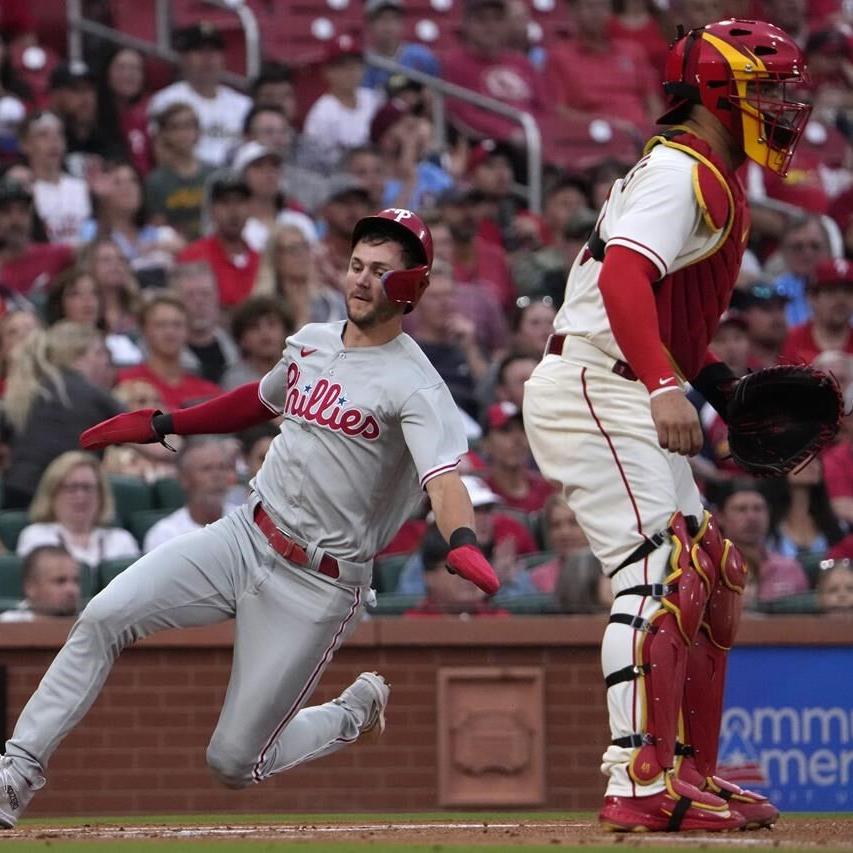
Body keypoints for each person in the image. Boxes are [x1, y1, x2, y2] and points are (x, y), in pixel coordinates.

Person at [0, 207, 500, 827]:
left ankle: (352, 712)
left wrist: (462, 537)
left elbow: (442, 478)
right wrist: (167, 422)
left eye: (380, 271)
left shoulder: (417, 386)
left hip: (319, 582)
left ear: (411, 288)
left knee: (234, 762)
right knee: (103, 615)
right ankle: (15, 774)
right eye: (356, 265)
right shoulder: (313, 342)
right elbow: (258, 400)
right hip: (245, 534)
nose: (361, 280)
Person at [522, 20, 809, 832]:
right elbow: (623, 279)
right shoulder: (682, 170)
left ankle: (690, 772)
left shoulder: (703, 170)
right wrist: (660, 385)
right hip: (597, 379)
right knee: (661, 569)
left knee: (713, 569)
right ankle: (639, 780)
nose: (783, 106)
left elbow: (666, 313)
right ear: (721, 93)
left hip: (617, 376)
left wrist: (714, 386)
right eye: (766, 90)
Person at [1, 321, 121, 509]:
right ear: (77, 358)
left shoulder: (26, 391)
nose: (106, 361)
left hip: (17, 492)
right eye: (99, 353)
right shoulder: (90, 392)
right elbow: (154, 440)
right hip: (69, 498)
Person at [147, 23, 251, 167]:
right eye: (199, 51)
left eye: (214, 51)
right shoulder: (166, 101)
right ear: (183, 58)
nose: (207, 58)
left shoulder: (243, 105)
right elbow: (161, 151)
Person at [17, 451, 139, 567]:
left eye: (87, 488)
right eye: (72, 488)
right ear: (52, 493)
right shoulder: (37, 536)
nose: (81, 496)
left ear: (101, 495)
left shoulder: (121, 540)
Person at [116, 292, 221, 410]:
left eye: (177, 325)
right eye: (160, 325)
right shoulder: (125, 382)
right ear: (144, 330)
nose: (170, 332)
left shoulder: (209, 393)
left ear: (187, 331)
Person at [717, 483, 810, 604]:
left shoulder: (790, 569)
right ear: (721, 517)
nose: (751, 517)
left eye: (758, 508)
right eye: (741, 509)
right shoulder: (711, 569)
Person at [177, 171, 259, 308]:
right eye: (225, 202)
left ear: (250, 207)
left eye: (240, 202)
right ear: (211, 209)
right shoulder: (193, 256)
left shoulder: (261, 259)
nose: (234, 211)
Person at [142, 436, 235, 552]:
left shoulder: (246, 522)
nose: (217, 476)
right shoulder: (165, 536)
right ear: (184, 479)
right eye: (207, 468)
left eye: (222, 467)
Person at [302, 35, 382, 168]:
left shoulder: (374, 100)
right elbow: (316, 163)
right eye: (342, 67)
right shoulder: (321, 114)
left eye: (355, 66)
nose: (350, 72)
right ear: (327, 72)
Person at [144, 102, 216, 241]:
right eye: (175, 128)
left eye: (188, 126)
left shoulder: (214, 174)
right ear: (164, 134)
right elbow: (158, 228)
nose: (183, 133)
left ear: (198, 132)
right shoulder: (156, 181)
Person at [253, 223, 347, 329]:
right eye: (292, 249)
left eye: (304, 247)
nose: (301, 254)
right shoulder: (263, 308)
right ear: (275, 258)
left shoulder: (330, 304)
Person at [403, 524, 509, 617]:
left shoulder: (500, 620)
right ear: (429, 576)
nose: (468, 576)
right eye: (455, 569)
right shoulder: (410, 625)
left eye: (474, 566)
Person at [19, 110, 91, 246]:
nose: (54, 141)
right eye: (43, 135)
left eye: (59, 134)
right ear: (25, 144)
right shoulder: (24, 190)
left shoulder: (81, 187)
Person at [0, 175, 73, 297]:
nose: (15, 220)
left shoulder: (55, 255)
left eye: (23, 211)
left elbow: (94, 253)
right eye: (6, 212)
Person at [171, 262, 239, 385]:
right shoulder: (164, 354)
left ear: (217, 297)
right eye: (190, 296)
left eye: (206, 294)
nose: (199, 302)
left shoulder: (239, 345)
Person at [481, 401, 553, 512]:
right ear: (486, 444)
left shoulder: (548, 491)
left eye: (522, 429)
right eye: (506, 430)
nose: (517, 439)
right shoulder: (481, 495)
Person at [781, 258, 853, 363]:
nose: (841, 300)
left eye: (848, 291)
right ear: (812, 297)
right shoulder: (791, 340)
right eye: (831, 291)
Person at [361, 0, 440, 91]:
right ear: (370, 25)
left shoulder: (422, 57)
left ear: (402, 23)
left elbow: (437, 94)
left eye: (394, 19)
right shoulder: (362, 64)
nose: (388, 25)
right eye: (381, 19)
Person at [221, 296, 290, 390]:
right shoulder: (234, 381)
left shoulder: (301, 372)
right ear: (242, 340)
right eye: (254, 327)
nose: (264, 332)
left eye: (272, 324)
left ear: (285, 332)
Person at [0, 545, 81, 623]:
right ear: (30, 588)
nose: (71, 589)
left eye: (76, 581)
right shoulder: (6, 626)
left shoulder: (88, 624)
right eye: (60, 581)